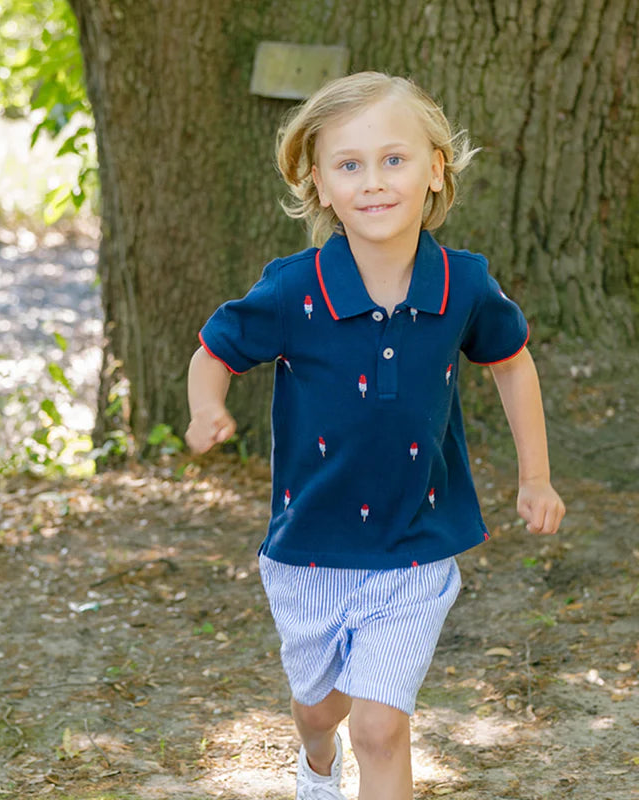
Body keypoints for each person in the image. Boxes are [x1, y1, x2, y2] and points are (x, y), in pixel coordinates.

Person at [185, 71, 565, 800]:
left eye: (394, 159)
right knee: (323, 708)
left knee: (381, 728)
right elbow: (215, 352)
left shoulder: (465, 283)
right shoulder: (295, 289)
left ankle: (349, 748)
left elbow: (512, 365)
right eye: (349, 165)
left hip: (415, 548)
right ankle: (315, 757)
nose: (374, 181)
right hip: (309, 550)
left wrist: (536, 477)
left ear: (435, 170)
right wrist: (208, 407)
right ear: (320, 186)